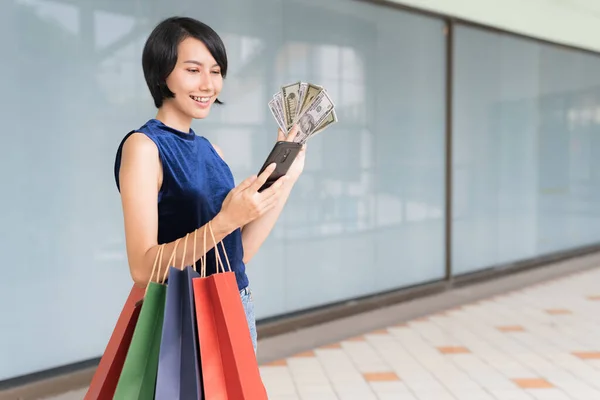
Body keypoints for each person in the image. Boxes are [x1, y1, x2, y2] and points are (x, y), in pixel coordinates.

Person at [113, 16, 305, 353]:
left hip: (235, 304)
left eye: (215, 71)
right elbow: (143, 269)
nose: (208, 84)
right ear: (162, 74)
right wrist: (226, 220)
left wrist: (286, 179)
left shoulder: (211, 150)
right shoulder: (144, 147)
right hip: (184, 314)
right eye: (193, 70)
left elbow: (237, 254)